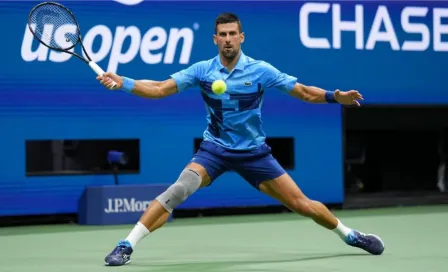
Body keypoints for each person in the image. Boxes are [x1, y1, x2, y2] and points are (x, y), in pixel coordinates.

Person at [98, 12, 384, 266]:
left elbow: (304, 92)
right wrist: (124, 82)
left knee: (301, 204)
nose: (228, 40)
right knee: (179, 189)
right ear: (215, 39)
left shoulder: (261, 70)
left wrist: (336, 97)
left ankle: (350, 236)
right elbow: (160, 88)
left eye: (232, 34)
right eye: (222, 35)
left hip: (254, 154)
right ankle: (127, 245)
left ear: (241, 37)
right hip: (215, 150)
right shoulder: (202, 71)